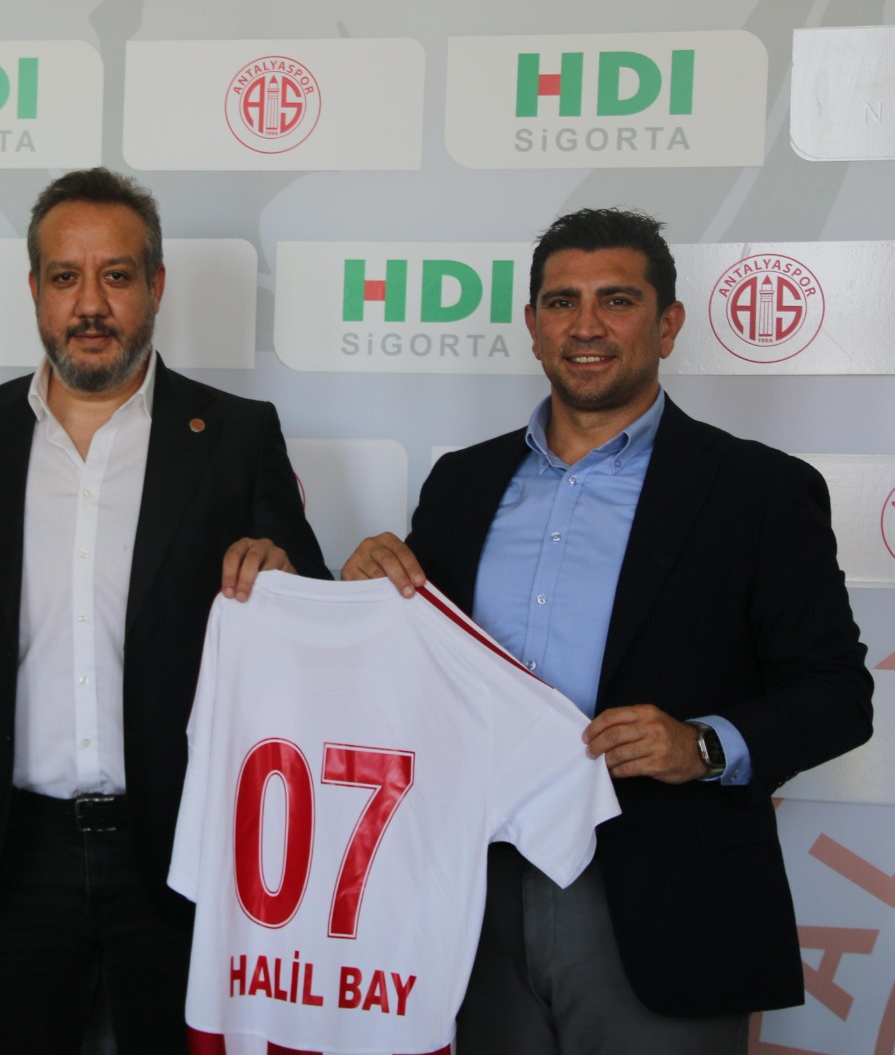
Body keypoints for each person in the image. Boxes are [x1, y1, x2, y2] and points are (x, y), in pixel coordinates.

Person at [341, 207, 872, 1053]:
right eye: (562, 302)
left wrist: (703, 744)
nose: (585, 326)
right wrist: (365, 603)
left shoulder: (759, 490)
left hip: (663, 901)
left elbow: (839, 694)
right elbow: (414, 675)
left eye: (616, 300)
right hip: (467, 892)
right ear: (532, 325)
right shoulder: (461, 483)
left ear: (668, 323)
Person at [0, 167, 328, 1053]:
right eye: (66, 277)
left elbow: (313, 617)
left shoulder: (234, 435)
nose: (91, 304)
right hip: (9, 854)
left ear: (157, 285)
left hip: (187, 846)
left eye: (117, 276)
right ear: (34, 288)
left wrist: (283, 573)